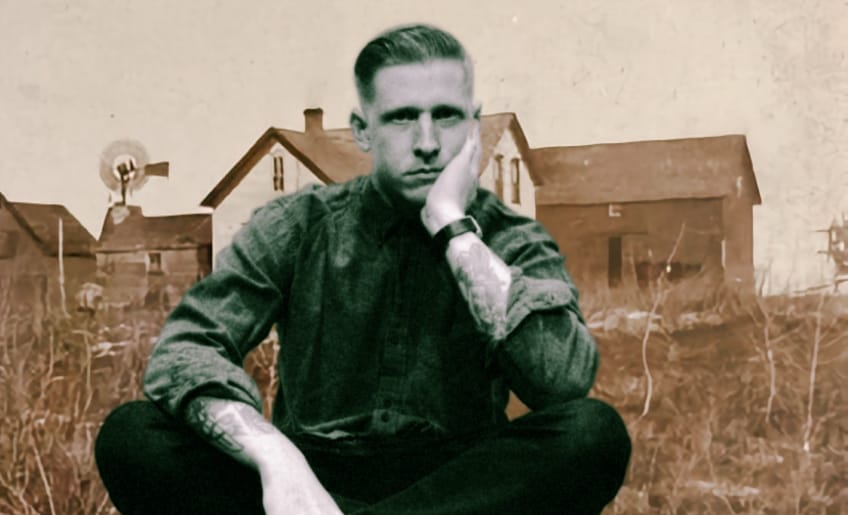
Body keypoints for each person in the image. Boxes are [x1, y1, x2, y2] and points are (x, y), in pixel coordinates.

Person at [94, 23, 631, 514]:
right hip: (310, 487)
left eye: (446, 115)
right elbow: (184, 351)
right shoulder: (299, 225)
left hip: (457, 488)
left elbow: (561, 381)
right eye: (402, 117)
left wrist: (452, 227)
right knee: (133, 435)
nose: (427, 143)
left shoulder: (508, 236)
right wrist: (276, 458)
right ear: (362, 130)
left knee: (592, 433)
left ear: (472, 125)